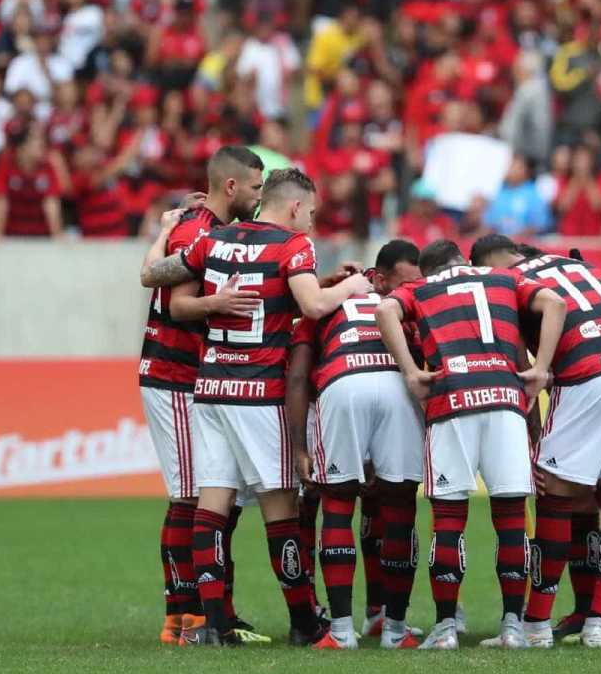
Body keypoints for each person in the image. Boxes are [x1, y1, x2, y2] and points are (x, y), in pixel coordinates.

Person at [171, 168, 374, 647]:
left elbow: (175, 287)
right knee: (280, 507)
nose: (312, 225)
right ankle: (305, 622)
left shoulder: (217, 239)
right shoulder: (292, 246)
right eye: (313, 214)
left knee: (212, 504)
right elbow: (314, 305)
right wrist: (352, 287)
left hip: (213, 387)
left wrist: (161, 236)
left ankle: (215, 625)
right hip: (259, 392)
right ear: (297, 207)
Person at [371, 237, 562, 650]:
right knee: (511, 518)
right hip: (505, 398)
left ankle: (445, 630)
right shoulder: (504, 279)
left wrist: (409, 371)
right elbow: (556, 304)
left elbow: (385, 309)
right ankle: (513, 626)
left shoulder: (421, 288)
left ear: (430, 271)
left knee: (449, 520)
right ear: (461, 260)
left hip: (452, 396)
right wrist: (542, 369)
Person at [474, 240, 601, 649]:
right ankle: (599, 623)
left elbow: (535, 331)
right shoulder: (568, 262)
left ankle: (536, 624)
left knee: (553, 494)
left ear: (487, 267)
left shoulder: (509, 282)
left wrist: (538, 375)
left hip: (586, 371)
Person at [133, 145, 265, 646]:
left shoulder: (208, 229)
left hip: (199, 379)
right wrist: (219, 302)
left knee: (217, 498)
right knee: (190, 494)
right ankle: (182, 617)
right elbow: (171, 305)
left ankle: (216, 611)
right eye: (254, 187)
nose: (258, 196)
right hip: (173, 374)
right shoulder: (196, 231)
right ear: (231, 186)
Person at [287, 239, 428, 650]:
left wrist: (299, 448)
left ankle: (342, 632)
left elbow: (297, 378)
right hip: (396, 383)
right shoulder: (403, 305)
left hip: (343, 383)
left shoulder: (325, 303)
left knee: (337, 504)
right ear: (382, 280)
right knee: (400, 506)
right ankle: (395, 630)